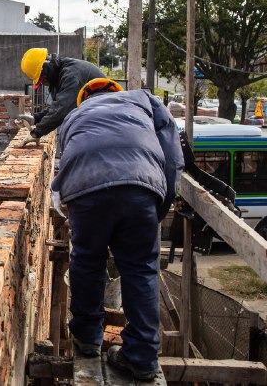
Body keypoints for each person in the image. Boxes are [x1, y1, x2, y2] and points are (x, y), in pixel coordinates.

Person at [51, 78, 185, 380]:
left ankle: (87, 339)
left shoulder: (75, 115)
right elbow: (172, 154)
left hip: (86, 190)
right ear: (117, 92)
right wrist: (158, 206)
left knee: (87, 261)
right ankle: (142, 355)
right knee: (140, 268)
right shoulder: (145, 101)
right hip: (140, 187)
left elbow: (66, 159)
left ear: (84, 99)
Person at [19, 48, 104, 146]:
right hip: (94, 116)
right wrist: (35, 118)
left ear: (46, 67)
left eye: (42, 78)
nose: (44, 83)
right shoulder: (58, 74)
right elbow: (57, 106)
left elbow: (62, 109)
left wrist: (37, 132)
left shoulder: (71, 75)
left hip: (105, 118)